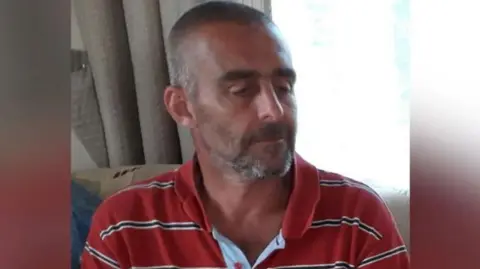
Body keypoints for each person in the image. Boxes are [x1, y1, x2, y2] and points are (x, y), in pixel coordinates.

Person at [81, 1, 410, 268]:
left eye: (283, 87)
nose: (274, 110)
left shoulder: (357, 216)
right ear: (182, 107)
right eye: (241, 90)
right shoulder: (123, 224)